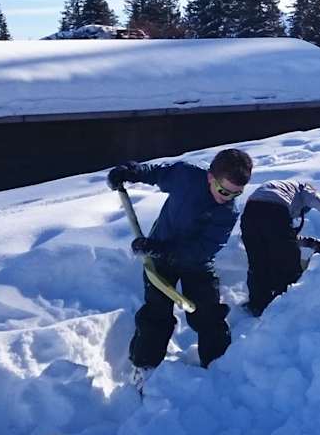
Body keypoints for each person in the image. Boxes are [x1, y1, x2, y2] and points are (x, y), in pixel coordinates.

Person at [107, 148, 254, 375]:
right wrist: (130, 171)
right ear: (210, 177)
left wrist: (160, 249)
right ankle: (144, 367)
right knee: (156, 314)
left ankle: (219, 367)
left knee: (209, 315)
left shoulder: (227, 212)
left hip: (196, 263)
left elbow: (203, 249)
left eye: (236, 194)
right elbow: (155, 173)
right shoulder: (186, 176)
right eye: (224, 191)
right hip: (159, 260)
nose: (228, 198)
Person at [241, 179, 320, 316]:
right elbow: (316, 199)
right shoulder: (302, 189)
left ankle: (257, 304)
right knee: (289, 262)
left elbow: (283, 239)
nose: (299, 214)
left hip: (249, 215)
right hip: (274, 210)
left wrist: (310, 242)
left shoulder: (278, 191)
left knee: (258, 262)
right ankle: (287, 306)